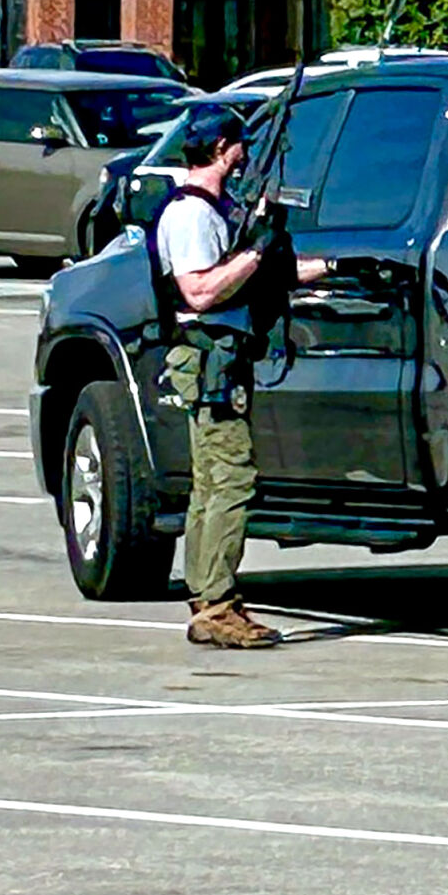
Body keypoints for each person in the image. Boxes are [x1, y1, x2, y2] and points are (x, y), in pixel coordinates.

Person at [155, 107, 330, 648]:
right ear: (220, 148)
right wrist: (255, 251)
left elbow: (258, 271)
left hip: (223, 356)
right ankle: (217, 605)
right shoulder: (190, 213)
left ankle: (208, 597)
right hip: (210, 358)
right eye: (239, 145)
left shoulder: (215, 209)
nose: (245, 155)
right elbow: (200, 291)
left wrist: (330, 267)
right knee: (230, 478)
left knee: (211, 481)